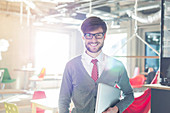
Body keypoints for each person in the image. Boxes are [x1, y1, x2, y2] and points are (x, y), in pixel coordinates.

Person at [59, 16, 134, 113]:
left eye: (98, 35)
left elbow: (129, 94)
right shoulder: (71, 66)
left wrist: (116, 109)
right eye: (89, 35)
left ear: (104, 36)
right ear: (83, 37)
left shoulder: (117, 66)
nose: (94, 40)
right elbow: (63, 100)